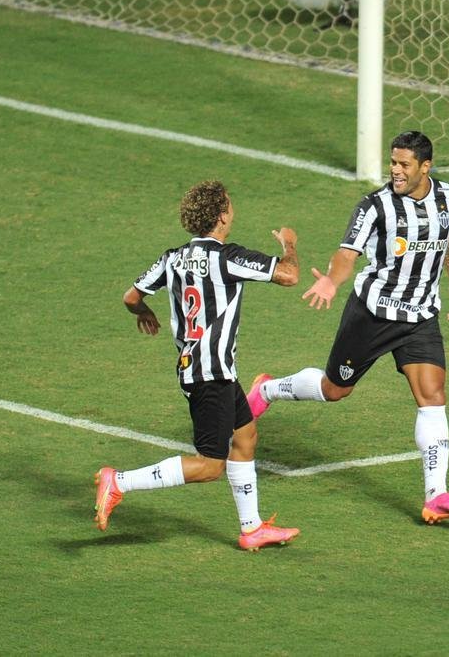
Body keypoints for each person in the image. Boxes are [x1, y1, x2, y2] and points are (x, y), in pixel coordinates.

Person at [247, 131, 449, 524]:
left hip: (420, 315)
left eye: (404, 164)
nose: (396, 170)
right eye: (393, 163)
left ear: (426, 167)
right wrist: (332, 282)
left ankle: (436, 494)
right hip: (372, 314)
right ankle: (267, 389)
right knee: (335, 389)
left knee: (433, 396)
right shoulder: (375, 207)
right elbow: (346, 253)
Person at [94, 180, 302, 551]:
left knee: (246, 435)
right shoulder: (227, 257)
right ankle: (118, 481)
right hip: (210, 373)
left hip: (205, 368)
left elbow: (130, 297)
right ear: (222, 216)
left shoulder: (171, 258)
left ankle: (252, 528)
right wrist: (289, 243)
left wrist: (144, 312)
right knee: (209, 465)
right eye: (230, 206)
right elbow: (288, 275)